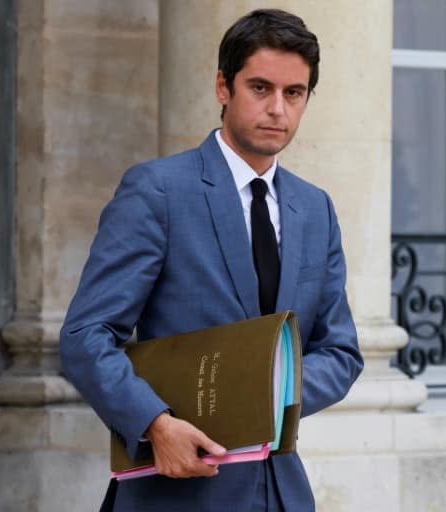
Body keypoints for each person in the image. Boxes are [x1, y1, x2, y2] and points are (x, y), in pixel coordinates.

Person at [59, 8, 364, 511]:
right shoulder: (158, 191)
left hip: (282, 492)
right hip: (173, 490)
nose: (277, 111)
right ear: (224, 87)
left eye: (294, 93)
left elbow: (341, 352)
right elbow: (84, 337)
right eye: (260, 88)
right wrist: (154, 425)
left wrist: (266, 399)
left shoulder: (315, 208)